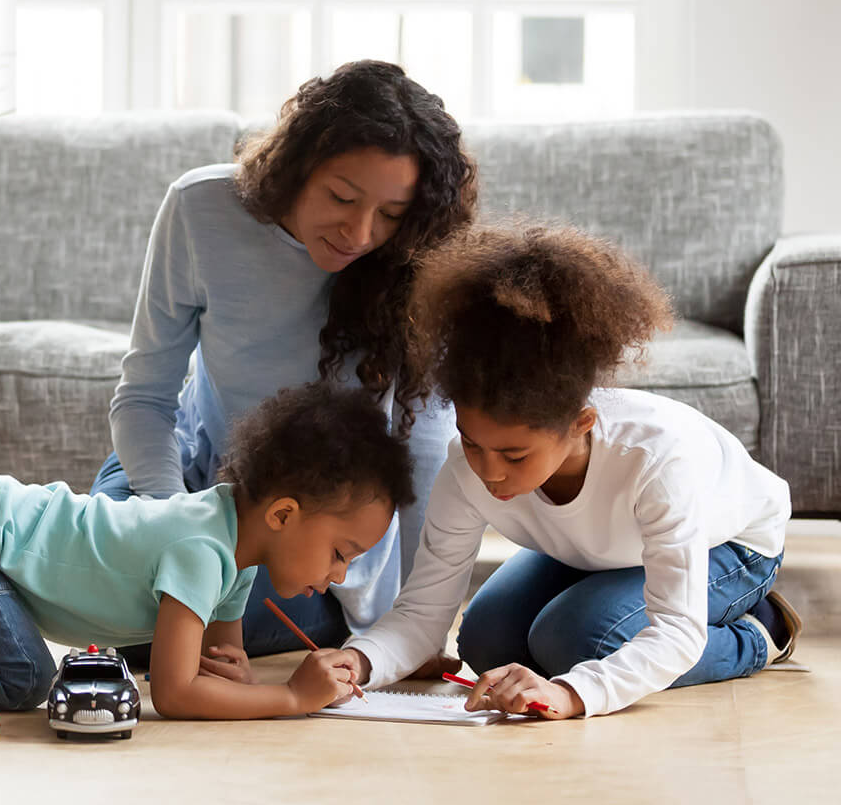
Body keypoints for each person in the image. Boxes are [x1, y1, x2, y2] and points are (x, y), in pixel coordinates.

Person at [91, 59, 476, 660]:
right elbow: (144, 397)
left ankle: (316, 610)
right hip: (188, 481)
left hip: (310, 524)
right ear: (298, 165)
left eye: (391, 214)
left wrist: (417, 622)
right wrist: (178, 527)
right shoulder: (201, 208)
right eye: (342, 197)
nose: (360, 231)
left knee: (155, 635)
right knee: (89, 589)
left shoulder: (420, 257)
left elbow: (424, 443)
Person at [337, 221, 800, 719]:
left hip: (730, 546)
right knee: (488, 644)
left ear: (580, 423)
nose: (489, 472)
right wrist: (356, 661)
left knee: (577, 643)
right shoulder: (466, 466)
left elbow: (675, 630)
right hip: (601, 553)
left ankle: (759, 632)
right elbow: (423, 613)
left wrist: (572, 692)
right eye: (472, 442)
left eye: (515, 456)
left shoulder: (655, 462)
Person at [0, 383, 414, 720]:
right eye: (340, 551)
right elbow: (178, 692)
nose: (339, 575)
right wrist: (291, 698)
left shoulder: (235, 559)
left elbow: (219, 663)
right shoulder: (203, 546)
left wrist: (240, 677)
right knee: (27, 681)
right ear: (282, 514)